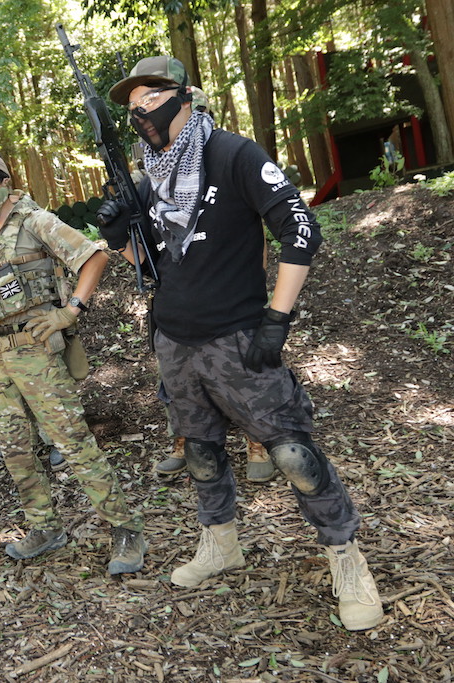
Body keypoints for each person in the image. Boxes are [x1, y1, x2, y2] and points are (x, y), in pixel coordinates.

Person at [101, 56, 382, 630]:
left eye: (151, 97)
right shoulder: (152, 177)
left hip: (238, 337)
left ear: (184, 95)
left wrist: (277, 319)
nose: (140, 111)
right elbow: (155, 267)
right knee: (201, 452)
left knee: (293, 456)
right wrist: (116, 235)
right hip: (174, 340)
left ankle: (347, 560)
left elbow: (300, 229)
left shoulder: (233, 154)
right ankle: (220, 543)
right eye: (132, 104)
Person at [0, 150, 146, 575]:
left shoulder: (34, 221)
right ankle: (45, 527)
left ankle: (125, 529)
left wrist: (70, 311)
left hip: (36, 353)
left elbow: (94, 256)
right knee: (15, 451)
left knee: (73, 443)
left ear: (3, 181)